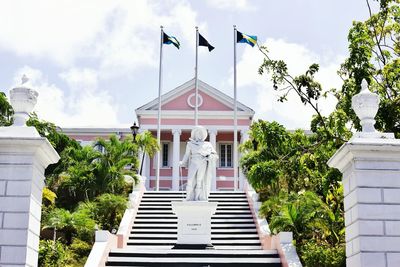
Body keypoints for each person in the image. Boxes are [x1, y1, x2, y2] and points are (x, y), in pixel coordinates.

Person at [179, 126, 218, 201]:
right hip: (194, 162)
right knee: (190, 180)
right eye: (197, 133)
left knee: (199, 181)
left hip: (202, 162)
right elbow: (186, 155)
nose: (199, 135)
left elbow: (215, 155)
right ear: (194, 134)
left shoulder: (207, 144)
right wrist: (182, 162)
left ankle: (197, 197)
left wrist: (209, 156)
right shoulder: (190, 144)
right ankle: (188, 197)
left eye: (201, 133)